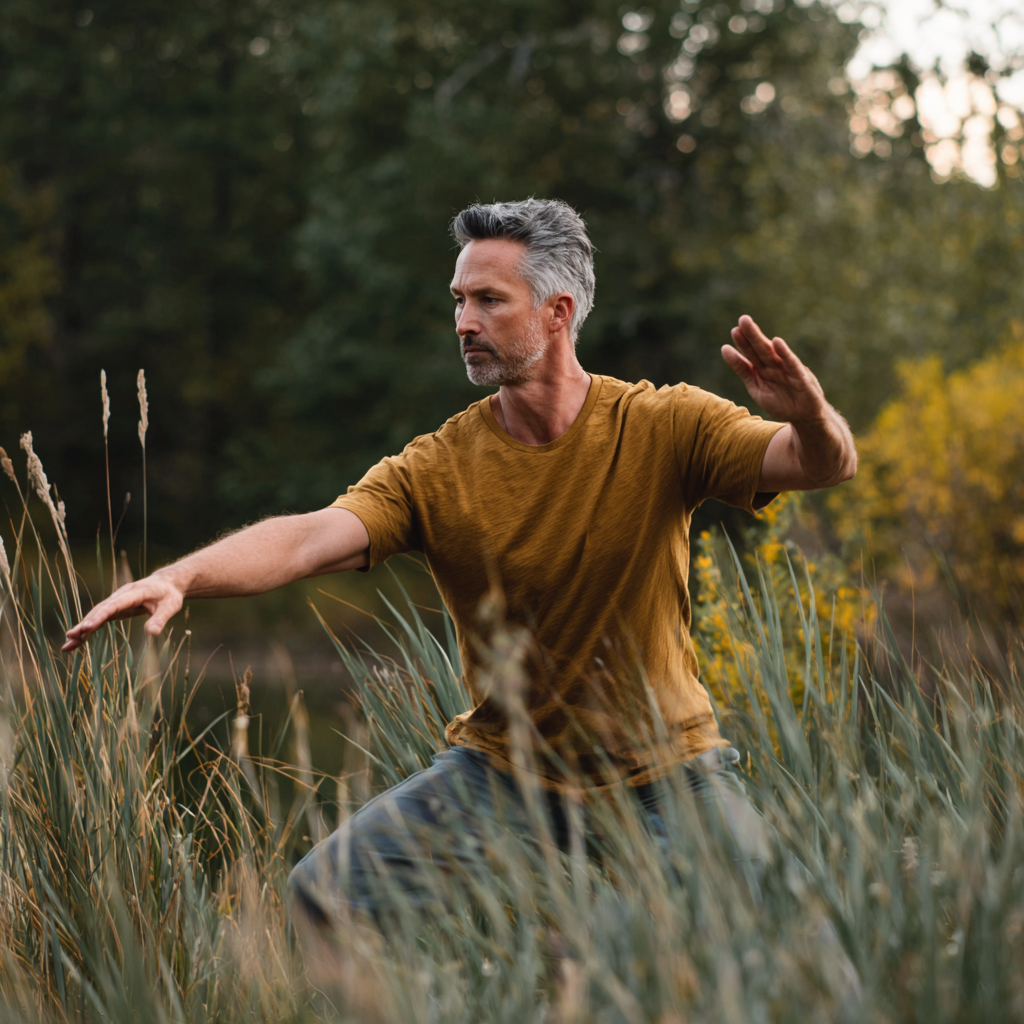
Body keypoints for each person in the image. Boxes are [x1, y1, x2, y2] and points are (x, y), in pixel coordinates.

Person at [63, 198, 857, 938]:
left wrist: (812, 414)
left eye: (488, 301)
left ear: (558, 313)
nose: (463, 322)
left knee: (795, 941)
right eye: (457, 300)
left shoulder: (662, 424)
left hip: (668, 773)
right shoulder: (439, 466)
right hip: (503, 776)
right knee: (323, 897)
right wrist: (183, 577)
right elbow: (309, 538)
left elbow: (819, 464)